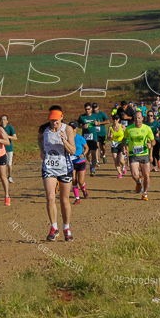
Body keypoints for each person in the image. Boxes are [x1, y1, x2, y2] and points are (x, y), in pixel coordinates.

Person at [39, 106, 76, 241]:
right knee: (50, 197)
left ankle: (66, 227)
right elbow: (39, 138)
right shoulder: (45, 130)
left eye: (56, 120)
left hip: (64, 167)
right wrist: (42, 151)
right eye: (51, 120)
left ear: (62, 117)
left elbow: (72, 151)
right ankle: (54, 227)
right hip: (49, 167)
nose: (54, 123)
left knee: (64, 200)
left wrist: (64, 140)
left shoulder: (67, 129)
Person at [124, 110, 155, 200]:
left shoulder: (147, 128)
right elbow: (124, 139)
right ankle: (138, 181)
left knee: (146, 175)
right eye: (135, 118)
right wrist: (124, 148)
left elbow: (153, 140)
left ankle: (145, 193)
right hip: (133, 154)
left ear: (142, 118)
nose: (137, 120)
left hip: (144, 154)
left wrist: (151, 144)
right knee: (134, 174)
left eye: (139, 118)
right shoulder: (129, 129)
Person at [68, 121, 88, 203]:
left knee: (80, 182)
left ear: (76, 128)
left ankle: (84, 189)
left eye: (73, 128)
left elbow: (87, 148)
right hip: (71, 162)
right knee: (73, 180)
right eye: (70, 128)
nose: (72, 130)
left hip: (80, 162)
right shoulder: (66, 138)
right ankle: (77, 198)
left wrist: (83, 154)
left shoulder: (80, 138)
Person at [77, 103, 100, 174]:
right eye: (86, 109)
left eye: (89, 109)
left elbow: (99, 122)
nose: (87, 111)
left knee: (93, 153)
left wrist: (98, 123)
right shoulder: (82, 117)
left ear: (91, 109)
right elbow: (77, 125)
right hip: (85, 138)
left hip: (94, 137)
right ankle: (90, 162)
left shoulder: (95, 116)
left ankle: (93, 169)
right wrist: (83, 126)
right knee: (88, 153)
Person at [107, 114, 126, 179]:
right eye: (114, 119)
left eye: (116, 119)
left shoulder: (122, 127)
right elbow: (108, 138)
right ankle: (119, 173)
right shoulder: (110, 128)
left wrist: (126, 144)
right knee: (116, 160)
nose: (115, 120)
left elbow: (127, 135)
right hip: (114, 145)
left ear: (118, 120)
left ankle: (123, 165)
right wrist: (110, 137)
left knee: (121, 160)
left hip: (121, 144)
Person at [0, 114, 17, 184]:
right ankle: (3, 177)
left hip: (9, 148)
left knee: (9, 164)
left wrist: (8, 136)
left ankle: (9, 176)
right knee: (2, 165)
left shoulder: (10, 128)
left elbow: (15, 138)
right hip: (1, 149)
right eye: (1, 119)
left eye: (4, 120)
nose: (3, 121)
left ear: (7, 121)